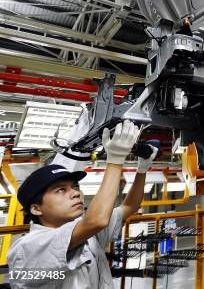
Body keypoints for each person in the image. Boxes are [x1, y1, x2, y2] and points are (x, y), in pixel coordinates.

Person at [7, 120, 157, 288]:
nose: (76, 193)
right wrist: (115, 159)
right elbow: (97, 220)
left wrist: (142, 170)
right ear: (36, 208)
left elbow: (129, 207)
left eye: (75, 187)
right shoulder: (28, 248)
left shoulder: (86, 233)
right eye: (61, 190)